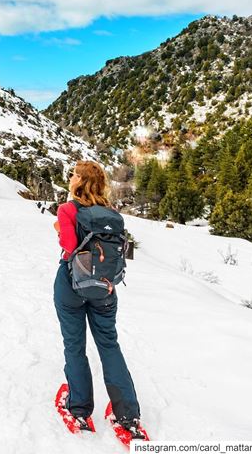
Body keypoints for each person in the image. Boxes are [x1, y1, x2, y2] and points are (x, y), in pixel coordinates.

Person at [53, 160, 144, 437]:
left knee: (75, 345)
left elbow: (69, 246)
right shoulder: (111, 213)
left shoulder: (67, 210)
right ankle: (127, 416)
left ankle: (79, 410)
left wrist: (59, 227)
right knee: (108, 344)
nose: (70, 177)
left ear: (79, 181)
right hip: (104, 289)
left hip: (71, 285)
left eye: (73, 174)